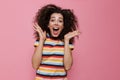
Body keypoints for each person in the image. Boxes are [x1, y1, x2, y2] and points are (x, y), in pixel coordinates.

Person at [32, 4, 80, 80]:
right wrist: (41, 40)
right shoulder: (41, 40)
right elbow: (35, 65)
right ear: (48, 24)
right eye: (52, 20)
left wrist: (67, 41)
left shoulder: (66, 42)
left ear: (63, 26)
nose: (56, 23)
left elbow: (67, 67)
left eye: (60, 21)